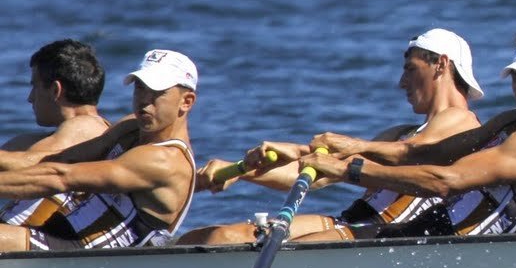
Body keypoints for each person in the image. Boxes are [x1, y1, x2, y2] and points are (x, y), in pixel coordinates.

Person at [179, 28, 483, 245]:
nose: (401, 82)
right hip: (353, 219)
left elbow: (416, 153)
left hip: (388, 235)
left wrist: (309, 151)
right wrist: (243, 171)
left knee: (232, 242)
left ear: (441, 64)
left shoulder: (462, 121)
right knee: (215, 236)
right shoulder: (400, 133)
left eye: (410, 69)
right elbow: (323, 174)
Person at [274, 27, 516, 239]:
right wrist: (355, 146)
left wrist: (349, 170)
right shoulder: (508, 122)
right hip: (423, 234)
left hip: (455, 257)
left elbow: (444, 181)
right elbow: (426, 153)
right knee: (289, 239)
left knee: (313, 243)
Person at [0, 49, 199, 251]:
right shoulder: (130, 127)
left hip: (82, 257)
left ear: (186, 101)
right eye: (140, 88)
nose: (144, 100)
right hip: (55, 234)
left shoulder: (164, 160)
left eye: (157, 92)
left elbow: (59, 177)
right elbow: (63, 160)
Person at [1, 39, 110, 155]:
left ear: (55, 90)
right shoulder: (101, 128)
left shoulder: (83, 126)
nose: (30, 98)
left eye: (35, 87)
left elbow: (33, 164)